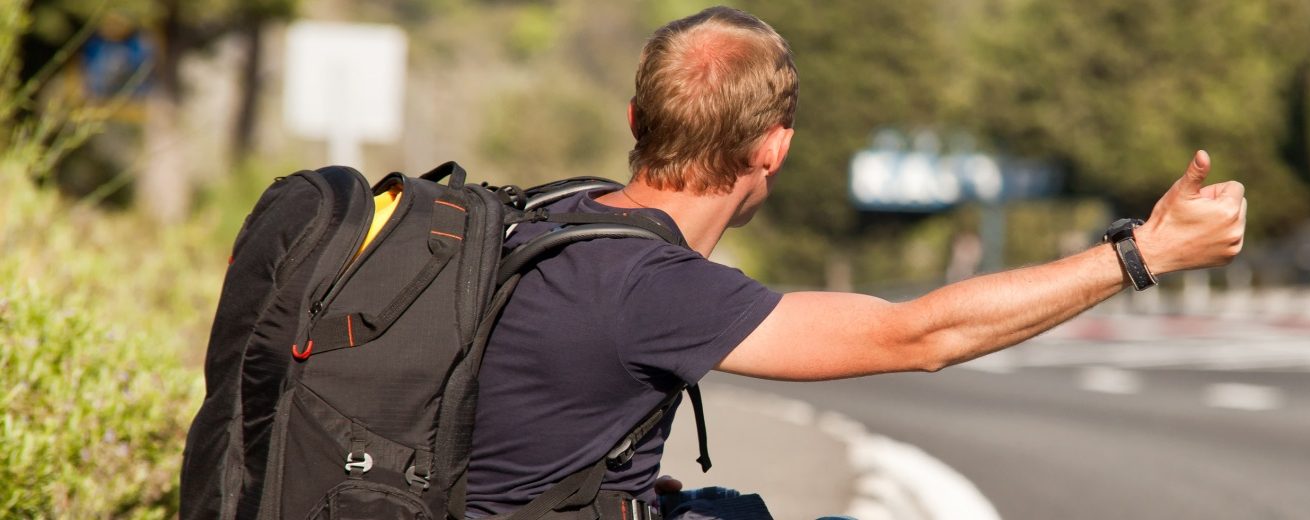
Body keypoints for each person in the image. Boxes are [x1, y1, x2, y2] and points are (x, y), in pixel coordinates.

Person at [464, 5, 1247, 518]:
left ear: (635, 119)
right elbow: (920, 336)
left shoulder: (554, 217)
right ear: (775, 148)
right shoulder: (653, 289)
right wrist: (1143, 253)